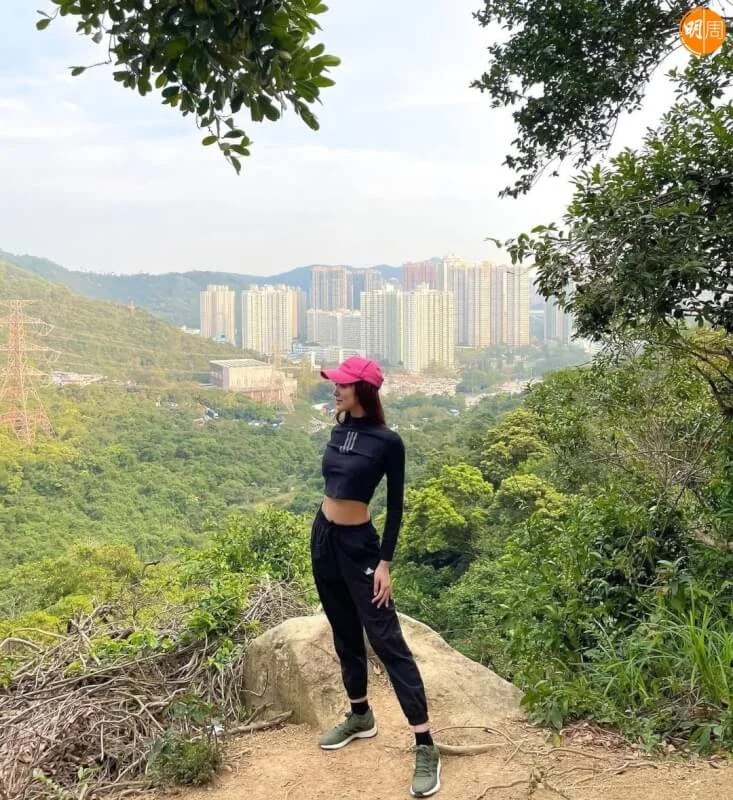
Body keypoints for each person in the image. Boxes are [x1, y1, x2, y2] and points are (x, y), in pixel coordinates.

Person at [311, 355, 441, 798]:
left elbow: (396, 506)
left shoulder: (388, 442)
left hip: (360, 547)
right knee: (343, 629)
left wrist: (384, 562)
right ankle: (360, 714)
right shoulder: (339, 429)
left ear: (363, 390)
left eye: (343, 385)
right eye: (335, 384)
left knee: (387, 642)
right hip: (324, 538)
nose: (335, 390)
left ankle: (425, 743)